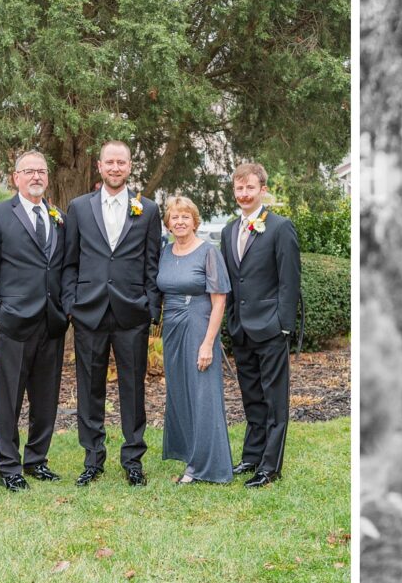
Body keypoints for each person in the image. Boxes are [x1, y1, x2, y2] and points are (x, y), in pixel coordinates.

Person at [62, 140, 162, 487]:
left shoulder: (147, 210)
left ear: (130, 166)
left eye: (122, 162)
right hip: (89, 311)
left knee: (133, 389)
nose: (116, 168)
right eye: (110, 162)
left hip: (131, 313)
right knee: (89, 389)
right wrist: (71, 303)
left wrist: (151, 306)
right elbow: (69, 261)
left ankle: (133, 458)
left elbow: (152, 263)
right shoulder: (79, 207)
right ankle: (92, 459)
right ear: (100, 167)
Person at [0, 150, 68, 491]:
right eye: (29, 171)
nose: (36, 177)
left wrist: (65, 307)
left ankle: (37, 460)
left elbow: (61, 267)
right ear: (16, 177)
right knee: (9, 399)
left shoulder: (57, 216)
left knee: (46, 399)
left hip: (51, 322)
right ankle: (9, 467)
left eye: (41, 171)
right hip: (13, 322)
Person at [221, 163, 301, 488]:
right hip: (241, 329)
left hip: (270, 328)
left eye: (250, 188)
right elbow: (230, 279)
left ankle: (270, 467)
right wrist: (230, 321)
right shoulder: (228, 231)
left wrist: (283, 325)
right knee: (251, 397)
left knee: (274, 400)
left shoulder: (280, 228)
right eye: (239, 189)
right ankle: (252, 457)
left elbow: (289, 281)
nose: (244, 194)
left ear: (262, 189)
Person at [157, 196, 233, 484]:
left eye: (185, 217)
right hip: (173, 328)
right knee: (180, 393)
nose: (179, 222)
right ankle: (191, 456)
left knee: (203, 394)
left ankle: (207, 467)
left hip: (198, 325)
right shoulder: (166, 252)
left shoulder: (207, 253)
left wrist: (207, 343)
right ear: (168, 223)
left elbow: (219, 301)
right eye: (174, 217)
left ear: (194, 221)